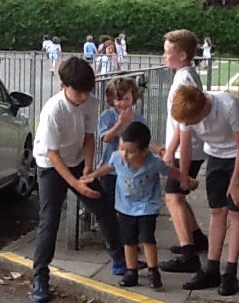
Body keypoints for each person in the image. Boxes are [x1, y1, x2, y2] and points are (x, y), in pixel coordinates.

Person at [29, 56, 127, 303]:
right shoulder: (53, 110)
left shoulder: (90, 102)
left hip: (76, 162)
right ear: (63, 85)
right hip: (51, 166)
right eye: (78, 92)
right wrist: (75, 184)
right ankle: (40, 277)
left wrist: (87, 167)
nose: (83, 97)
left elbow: (89, 137)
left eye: (87, 91)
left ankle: (118, 257)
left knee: (104, 207)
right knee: (49, 220)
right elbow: (52, 153)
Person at [82, 121, 195, 291]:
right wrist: (93, 175)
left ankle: (153, 270)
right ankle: (131, 271)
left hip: (147, 206)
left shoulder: (153, 162)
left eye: (129, 151)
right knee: (128, 240)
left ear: (144, 151)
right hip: (125, 206)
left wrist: (185, 179)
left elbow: (170, 171)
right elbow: (108, 167)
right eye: (121, 148)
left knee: (147, 238)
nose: (124, 154)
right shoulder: (117, 158)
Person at [172, 84, 239, 296]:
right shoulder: (186, 113)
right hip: (216, 155)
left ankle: (230, 271)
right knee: (217, 211)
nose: (189, 125)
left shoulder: (229, 105)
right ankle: (212, 269)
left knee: (236, 210)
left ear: (202, 112)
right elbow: (185, 146)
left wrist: (236, 182)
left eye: (192, 122)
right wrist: (184, 176)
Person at [159, 29, 209, 274]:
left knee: (173, 197)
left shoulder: (184, 80)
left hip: (186, 150)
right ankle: (196, 238)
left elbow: (183, 124)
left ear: (182, 54)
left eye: (168, 52)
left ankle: (188, 252)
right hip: (187, 149)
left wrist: (170, 152)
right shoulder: (185, 75)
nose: (164, 56)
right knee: (177, 195)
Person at [97, 77, 146, 208]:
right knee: (108, 204)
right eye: (119, 99)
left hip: (131, 170)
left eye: (127, 99)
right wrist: (120, 123)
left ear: (133, 98)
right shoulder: (106, 116)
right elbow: (105, 138)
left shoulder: (139, 119)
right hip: (110, 169)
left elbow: (144, 142)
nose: (123, 103)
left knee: (128, 204)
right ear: (112, 100)